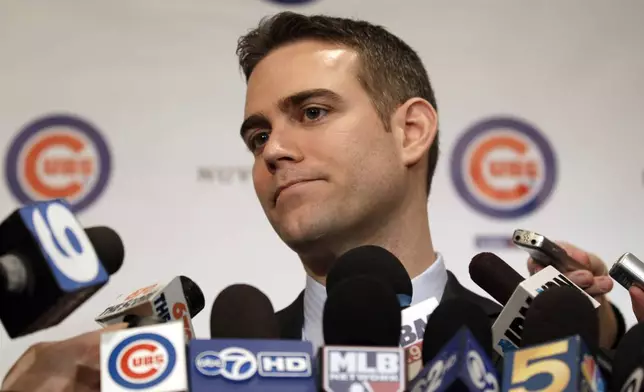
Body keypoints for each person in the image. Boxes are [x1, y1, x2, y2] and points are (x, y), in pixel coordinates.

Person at [2, 11, 644, 391]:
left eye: (311, 111)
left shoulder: (557, 364)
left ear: (411, 130)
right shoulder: (198, 375)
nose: (273, 150)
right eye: (257, 136)